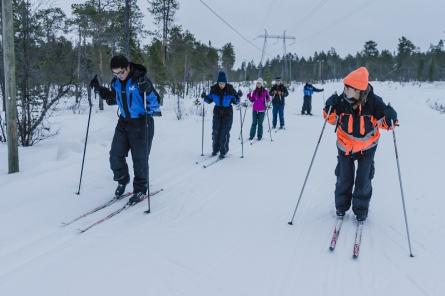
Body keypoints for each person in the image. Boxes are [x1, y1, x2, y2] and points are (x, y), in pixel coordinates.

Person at [323, 66, 398, 221]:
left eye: (349, 89)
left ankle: (361, 210)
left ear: (359, 90)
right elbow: (330, 120)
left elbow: (386, 124)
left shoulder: (375, 103)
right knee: (344, 177)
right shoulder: (341, 102)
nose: (346, 91)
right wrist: (328, 108)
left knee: (363, 179)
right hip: (345, 146)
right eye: (345, 87)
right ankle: (341, 207)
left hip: (367, 148)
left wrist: (391, 118)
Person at [90, 55, 161, 204]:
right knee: (115, 155)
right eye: (115, 73)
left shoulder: (140, 80)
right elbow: (113, 99)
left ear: (128, 67)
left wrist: (148, 90)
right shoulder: (116, 82)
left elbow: (156, 104)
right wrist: (98, 89)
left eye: (121, 72)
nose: (119, 76)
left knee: (140, 160)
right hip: (123, 123)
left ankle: (141, 189)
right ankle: (122, 179)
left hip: (142, 123)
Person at [201, 71, 242, 158]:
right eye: (220, 83)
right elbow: (209, 100)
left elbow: (236, 101)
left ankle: (223, 150)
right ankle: (215, 149)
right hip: (217, 111)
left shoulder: (230, 89)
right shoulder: (214, 89)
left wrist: (238, 96)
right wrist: (204, 97)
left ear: (225, 82)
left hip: (228, 112)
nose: (221, 85)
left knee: (224, 131)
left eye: (223, 83)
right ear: (218, 82)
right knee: (216, 130)